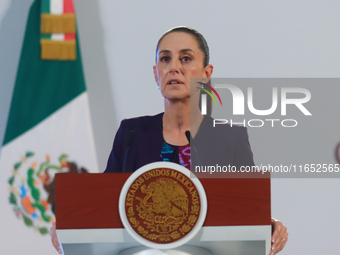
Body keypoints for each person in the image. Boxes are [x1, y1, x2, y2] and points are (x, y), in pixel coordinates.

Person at [51, 26, 288, 254]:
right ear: (156, 74)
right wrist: (69, 222)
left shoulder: (230, 138)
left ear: (206, 74)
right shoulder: (132, 134)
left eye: (185, 58)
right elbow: (105, 206)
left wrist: (271, 224)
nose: (174, 67)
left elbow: (248, 210)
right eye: (165, 59)